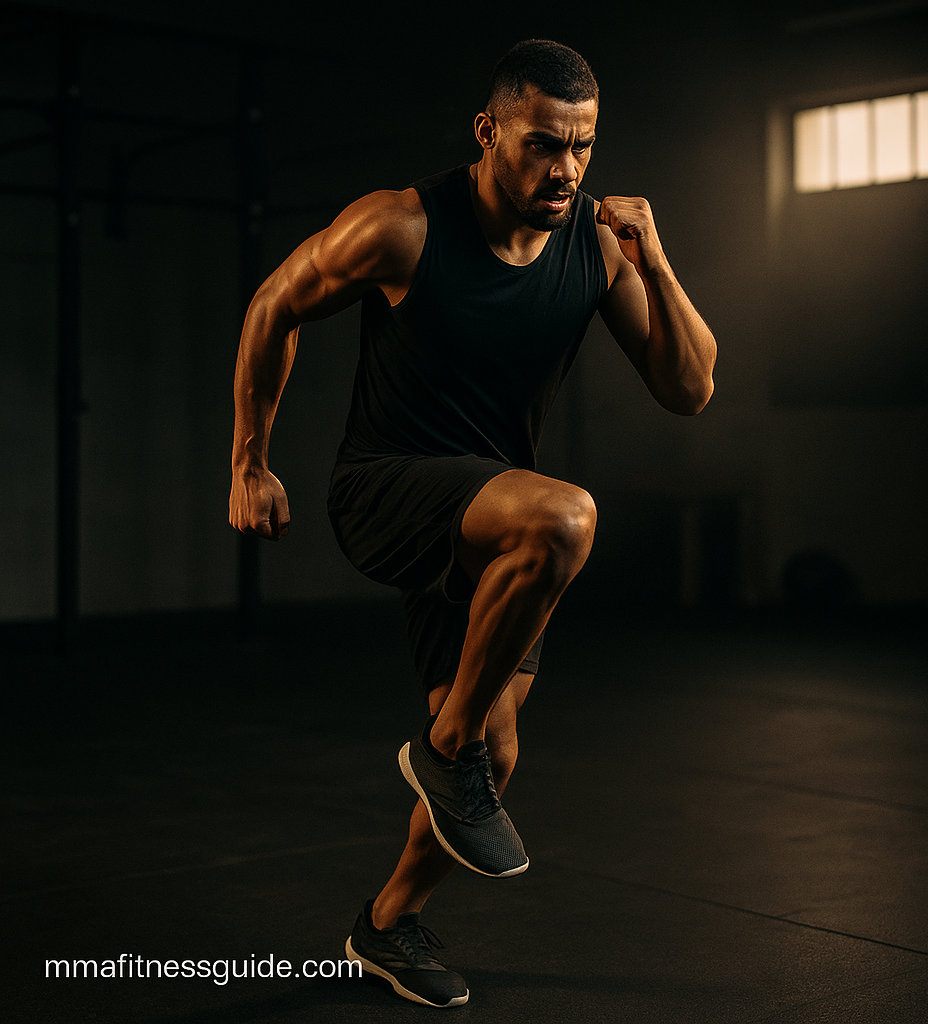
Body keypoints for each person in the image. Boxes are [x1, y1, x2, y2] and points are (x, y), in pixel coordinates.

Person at [229, 38, 716, 1008]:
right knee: (565, 519)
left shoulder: (593, 246)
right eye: (543, 144)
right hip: (386, 491)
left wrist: (655, 263)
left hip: (494, 522)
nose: (567, 168)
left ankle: (387, 921)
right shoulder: (402, 226)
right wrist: (250, 461)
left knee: (501, 751)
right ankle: (442, 748)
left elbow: (689, 388)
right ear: (490, 133)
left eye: (582, 145)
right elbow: (274, 303)